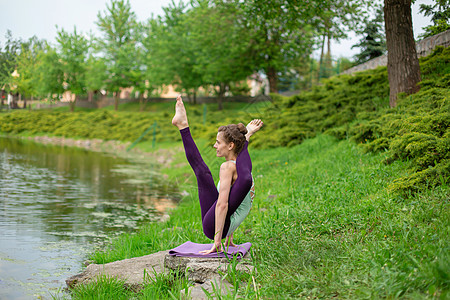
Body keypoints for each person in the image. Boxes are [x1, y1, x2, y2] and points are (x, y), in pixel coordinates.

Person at [172, 95, 263, 254]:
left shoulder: (227, 168)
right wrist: (229, 236)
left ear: (231, 145)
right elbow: (239, 201)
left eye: (218, 142)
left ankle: (183, 126)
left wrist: (217, 242)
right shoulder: (242, 166)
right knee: (206, 173)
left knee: (203, 172)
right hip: (227, 225)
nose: (214, 146)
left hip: (212, 226)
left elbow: (223, 205)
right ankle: (182, 124)